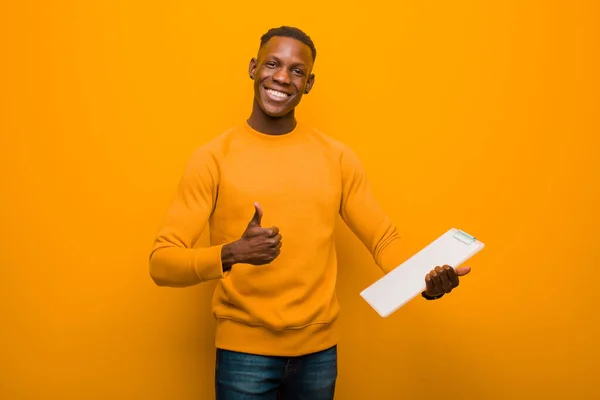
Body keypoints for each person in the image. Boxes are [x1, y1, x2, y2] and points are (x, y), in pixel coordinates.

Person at [149, 26, 471, 400]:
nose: (282, 77)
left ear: (309, 83)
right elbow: (162, 263)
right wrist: (232, 252)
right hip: (243, 357)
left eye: (296, 71)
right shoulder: (212, 159)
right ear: (253, 68)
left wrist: (424, 280)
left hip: (319, 357)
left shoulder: (336, 157)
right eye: (272, 64)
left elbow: (384, 239)